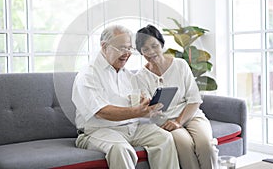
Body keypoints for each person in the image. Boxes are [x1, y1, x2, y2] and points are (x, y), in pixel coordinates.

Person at [72, 25, 179, 169]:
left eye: (129, 48)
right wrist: (137, 112)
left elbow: (138, 101)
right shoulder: (88, 74)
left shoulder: (127, 75)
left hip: (131, 128)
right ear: (104, 47)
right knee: (121, 149)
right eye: (122, 48)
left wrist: (147, 106)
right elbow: (101, 111)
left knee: (164, 138)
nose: (127, 53)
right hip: (97, 131)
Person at [135, 24, 219, 169]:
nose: (151, 52)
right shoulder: (140, 77)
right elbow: (148, 109)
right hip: (166, 122)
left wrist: (179, 121)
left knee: (206, 146)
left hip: (191, 116)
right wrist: (148, 107)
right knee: (185, 145)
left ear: (161, 44)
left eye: (155, 46)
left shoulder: (180, 65)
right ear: (141, 52)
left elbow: (194, 100)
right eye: (145, 49)